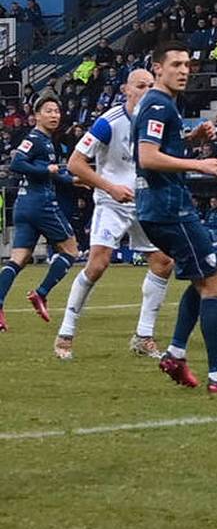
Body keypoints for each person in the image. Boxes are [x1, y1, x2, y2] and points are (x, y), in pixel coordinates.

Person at [133, 41, 217, 393]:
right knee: (213, 283)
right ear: (158, 68)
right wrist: (198, 163)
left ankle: (175, 354)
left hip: (162, 206)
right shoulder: (158, 104)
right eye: (175, 64)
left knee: (201, 278)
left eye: (187, 64)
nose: (184, 70)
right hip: (169, 208)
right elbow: (148, 157)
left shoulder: (162, 106)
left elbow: (160, 150)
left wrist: (190, 139)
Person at [58, 69, 175, 360]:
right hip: (112, 201)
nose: (146, 90)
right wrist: (110, 188)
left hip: (145, 198)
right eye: (140, 85)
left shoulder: (158, 118)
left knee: (163, 262)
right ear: (126, 89)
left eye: (151, 85)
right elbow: (75, 163)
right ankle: (66, 333)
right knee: (98, 264)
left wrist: (194, 138)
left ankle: (144, 336)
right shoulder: (108, 122)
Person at [0, 93, 79, 332]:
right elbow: (17, 163)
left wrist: (73, 179)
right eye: (49, 111)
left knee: (19, 259)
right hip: (41, 203)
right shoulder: (34, 138)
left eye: (57, 111)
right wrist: (46, 169)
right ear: (36, 116)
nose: (54, 115)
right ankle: (41, 293)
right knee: (71, 250)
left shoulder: (46, 141)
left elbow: (51, 173)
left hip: (25, 206)